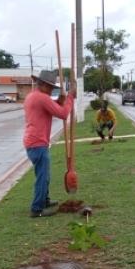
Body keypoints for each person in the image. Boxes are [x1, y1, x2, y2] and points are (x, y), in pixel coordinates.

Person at [23, 69, 76, 218]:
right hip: (37, 143)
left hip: (33, 142)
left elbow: (52, 107)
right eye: (51, 87)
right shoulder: (42, 98)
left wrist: (60, 101)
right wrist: (70, 97)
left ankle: (44, 201)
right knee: (43, 176)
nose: (52, 89)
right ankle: (37, 209)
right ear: (44, 85)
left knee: (43, 174)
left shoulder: (32, 96)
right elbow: (63, 114)